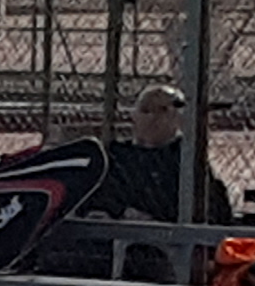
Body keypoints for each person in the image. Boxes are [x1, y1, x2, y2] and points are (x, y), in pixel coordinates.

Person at [86, 88, 235, 226]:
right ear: (134, 115)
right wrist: (116, 213)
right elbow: (98, 200)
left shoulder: (186, 159)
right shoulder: (116, 155)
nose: (154, 117)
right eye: (146, 110)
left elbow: (209, 213)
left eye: (163, 110)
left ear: (179, 119)